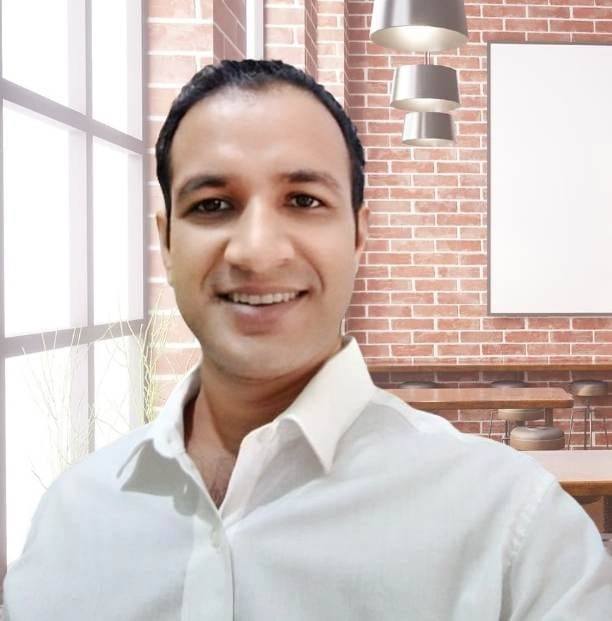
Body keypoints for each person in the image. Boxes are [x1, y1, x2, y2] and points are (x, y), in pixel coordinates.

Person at [3, 58, 612, 620]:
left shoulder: (514, 530)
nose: (256, 251)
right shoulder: (72, 517)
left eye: (303, 200)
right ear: (166, 241)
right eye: (213, 205)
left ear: (358, 236)